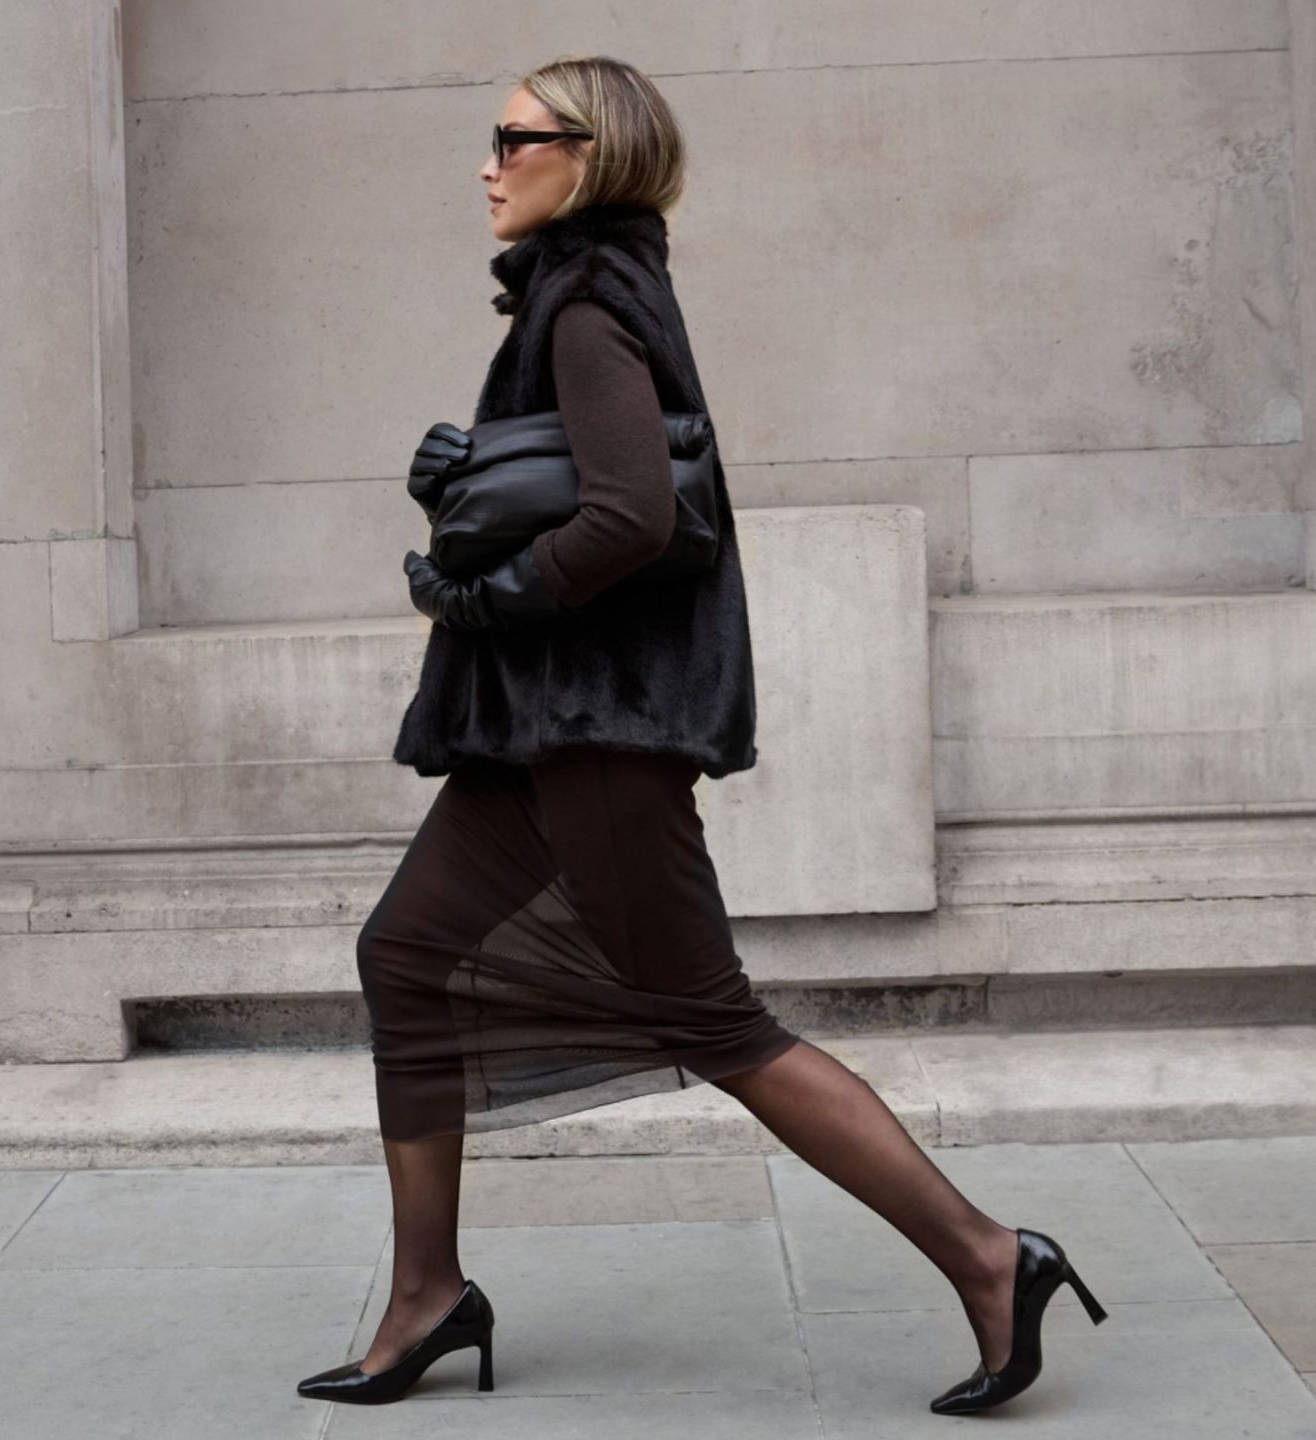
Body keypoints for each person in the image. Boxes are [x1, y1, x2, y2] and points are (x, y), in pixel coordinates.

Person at [296, 54, 1106, 1416]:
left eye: (514, 138)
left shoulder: (587, 304)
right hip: (549, 729)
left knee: (716, 1022)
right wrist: (471, 482)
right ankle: (428, 1292)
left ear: (589, 154)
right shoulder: (583, 295)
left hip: (598, 727)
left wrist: (490, 595)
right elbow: (595, 482)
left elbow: (634, 517)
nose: (488, 162)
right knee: (411, 955)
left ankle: (988, 1256)